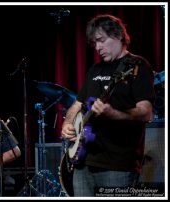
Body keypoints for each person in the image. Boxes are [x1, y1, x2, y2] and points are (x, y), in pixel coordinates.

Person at [61, 14, 155, 196]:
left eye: (101, 41)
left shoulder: (138, 65)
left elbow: (146, 112)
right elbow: (77, 103)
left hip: (117, 165)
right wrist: (67, 123)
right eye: (94, 43)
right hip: (83, 162)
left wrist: (113, 114)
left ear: (118, 35)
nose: (97, 48)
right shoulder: (95, 69)